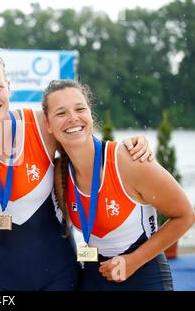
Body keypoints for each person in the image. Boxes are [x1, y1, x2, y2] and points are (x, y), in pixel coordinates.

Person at [0, 44, 154, 291]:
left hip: (58, 276)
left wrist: (130, 146)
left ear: (9, 86)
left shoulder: (41, 125)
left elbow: (93, 155)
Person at [43, 79, 195, 290]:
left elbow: (185, 215)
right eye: (61, 113)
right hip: (94, 276)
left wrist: (133, 261)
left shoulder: (128, 160)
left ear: (90, 113)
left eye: (80, 108)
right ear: (48, 124)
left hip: (143, 274)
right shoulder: (60, 173)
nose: (72, 118)